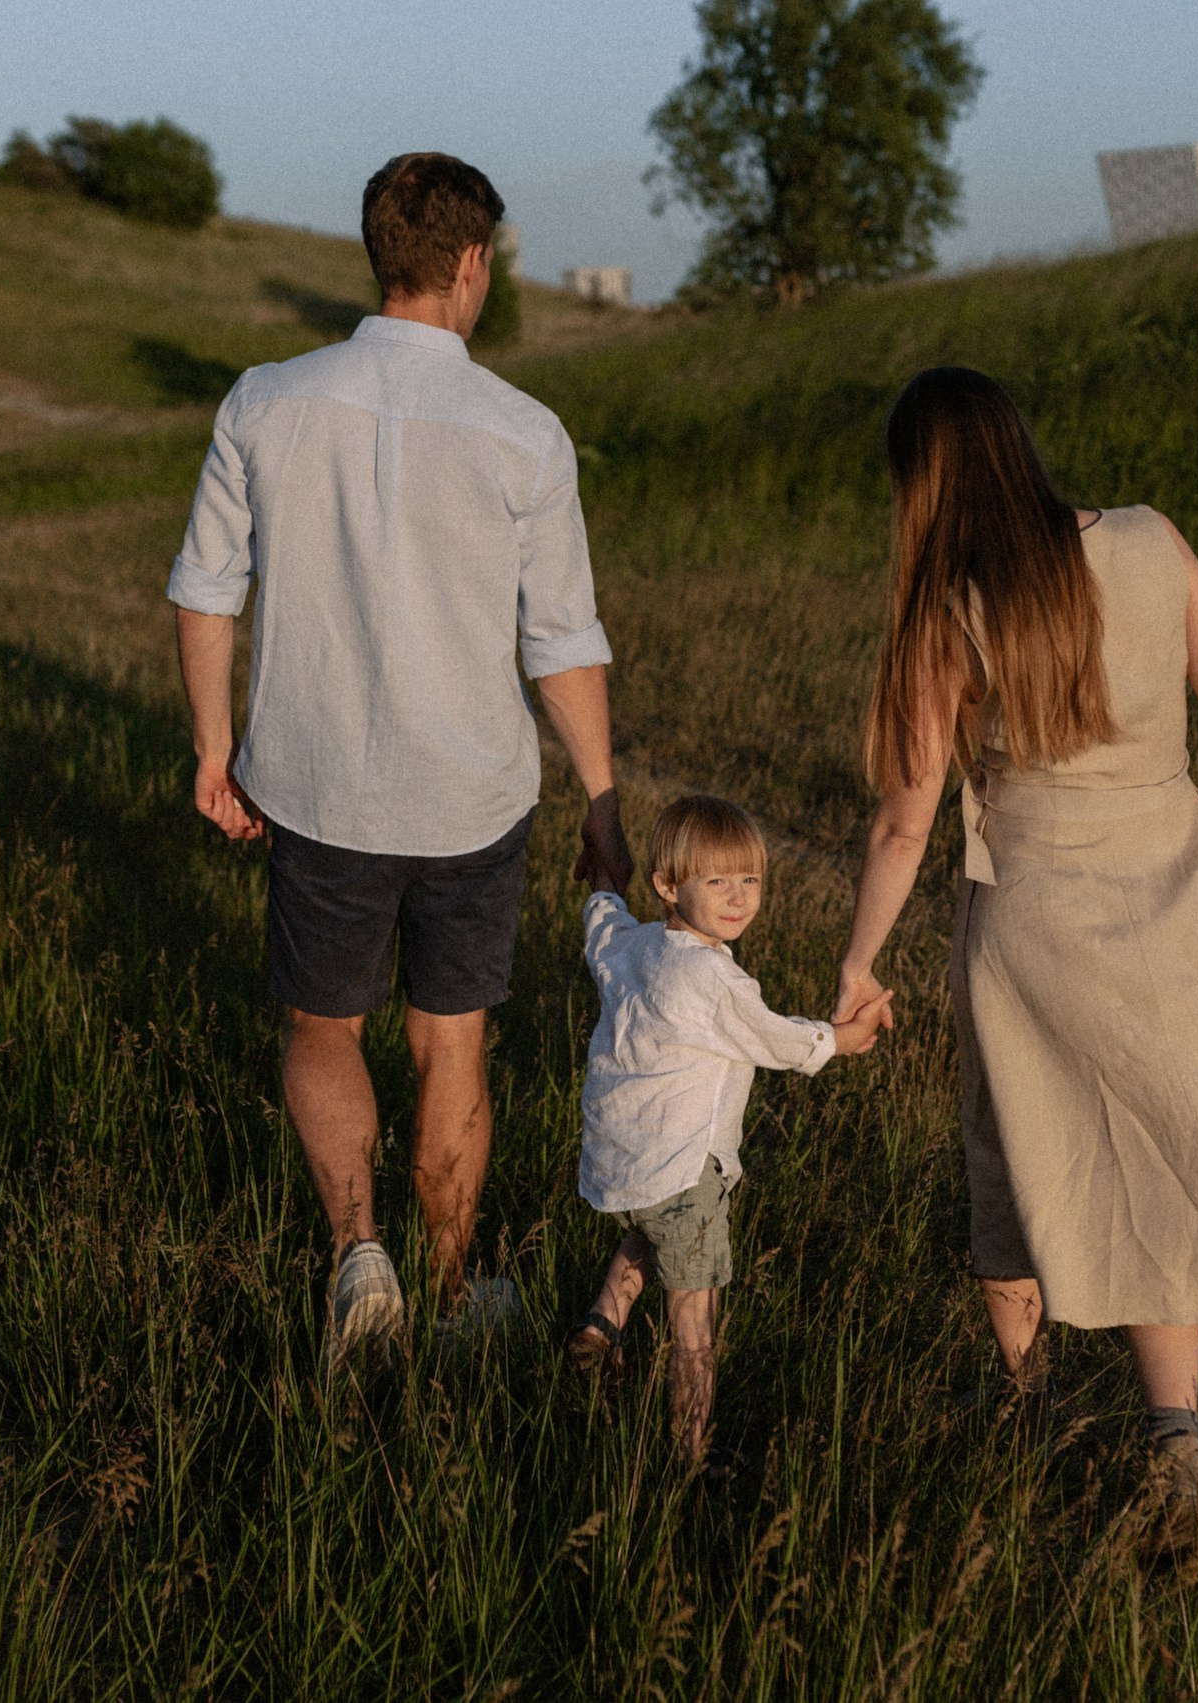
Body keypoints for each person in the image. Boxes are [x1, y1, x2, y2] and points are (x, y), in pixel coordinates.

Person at [832, 367, 1198, 1553]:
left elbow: (906, 816)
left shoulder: (950, 604)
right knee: (1155, 1148)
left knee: (1022, 1149)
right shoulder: (1153, 540)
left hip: (1031, 912)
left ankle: (1023, 1413)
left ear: (926, 480)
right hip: (1175, 883)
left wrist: (856, 961)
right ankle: (1173, 1436)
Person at [167, 152, 636, 1373]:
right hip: (470, 797)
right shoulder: (524, 433)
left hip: (314, 786)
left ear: (380, 252)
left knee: (322, 1029)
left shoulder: (263, 400)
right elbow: (561, 638)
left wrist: (216, 749)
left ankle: (356, 1253)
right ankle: (445, 1290)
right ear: (472, 263)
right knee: (451, 1044)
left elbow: (207, 592)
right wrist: (601, 797)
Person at [565, 796, 888, 1471]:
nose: (739, 897)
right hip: (684, 1166)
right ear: (668, 885)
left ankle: (602, 1322)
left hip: (623, 1162)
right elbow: (776, 1038)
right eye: (717, 881)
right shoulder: (713, 977)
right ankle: (689, 1454)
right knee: (695, 1323)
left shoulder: (632, 945)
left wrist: (600, 880)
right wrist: (843, 1038)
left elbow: (602, 923)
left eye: (750, 880)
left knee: (653, 1225)